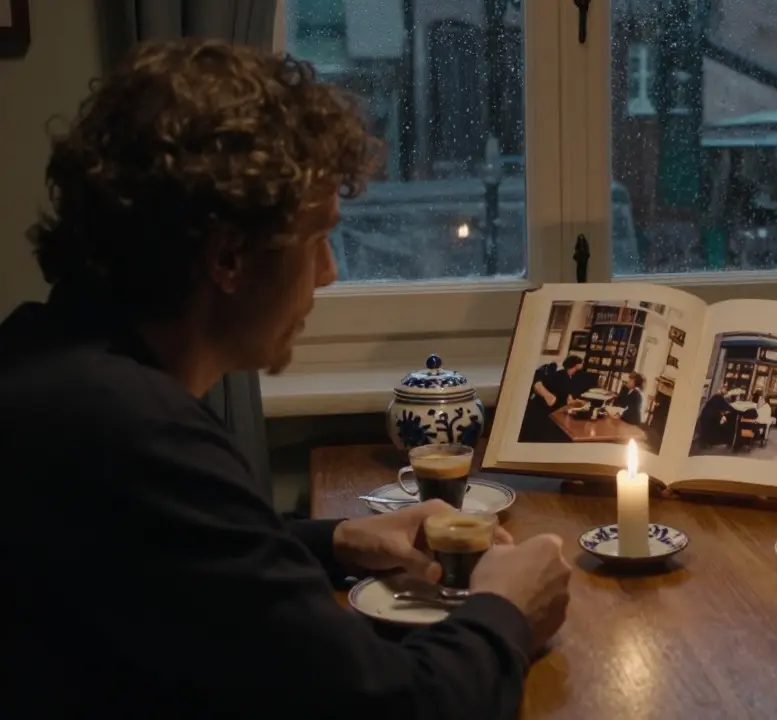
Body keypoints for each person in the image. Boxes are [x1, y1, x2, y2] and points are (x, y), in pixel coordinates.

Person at [0, 40, 572, 718]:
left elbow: (179, 560)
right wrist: (506, 610)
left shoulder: (48, 360)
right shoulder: (132, 435)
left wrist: (337, 540)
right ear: (230, 258)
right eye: (317, 238)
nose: (328, 272)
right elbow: (393, 706)